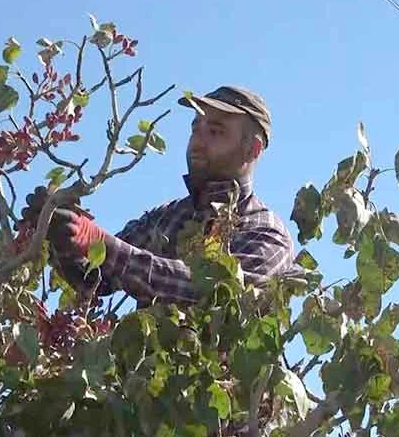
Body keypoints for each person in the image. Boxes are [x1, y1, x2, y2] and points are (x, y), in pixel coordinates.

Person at [20, 85, 299, 308]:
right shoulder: (167, 216)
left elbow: (210, 294)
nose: (197, 142)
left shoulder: (266, 232)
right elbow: (96, 280)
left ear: (253, 149)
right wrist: (60, 234)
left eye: (215, 131)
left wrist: (95, 240)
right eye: (195, 128)